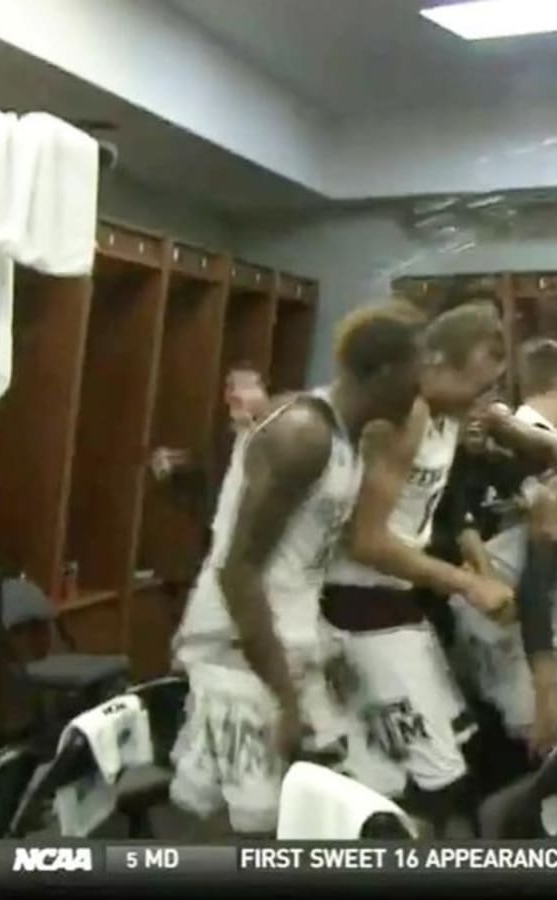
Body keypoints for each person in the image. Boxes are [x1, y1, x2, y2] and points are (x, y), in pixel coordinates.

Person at [321, 301, 557, 837]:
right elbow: (366, 541)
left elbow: (500, 431)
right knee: (436, 788)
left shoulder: (457, 409)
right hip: (358, 608)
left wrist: (549, 444)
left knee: (441, 769)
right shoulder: (404, 416)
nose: (484, 399)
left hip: (399, 607)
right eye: (478, 385)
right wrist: (468, 582)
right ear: (434, 363)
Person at [166, 303, 424, 837]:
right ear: (382, 374)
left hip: (286, 651)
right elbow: (239, 571)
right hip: (242, 657)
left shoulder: (347, 440)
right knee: (249, 834)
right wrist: (284, 695)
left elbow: (299, 563)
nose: (418, 391)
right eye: (414, 374)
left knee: (327, 812)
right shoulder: (303, 434)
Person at [449, 338, 557, 760]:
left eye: (489, 399)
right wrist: (546, 688)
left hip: (501, 635)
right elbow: (536, 588)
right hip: (512, 640)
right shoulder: (460, 460)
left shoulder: (522, 458)